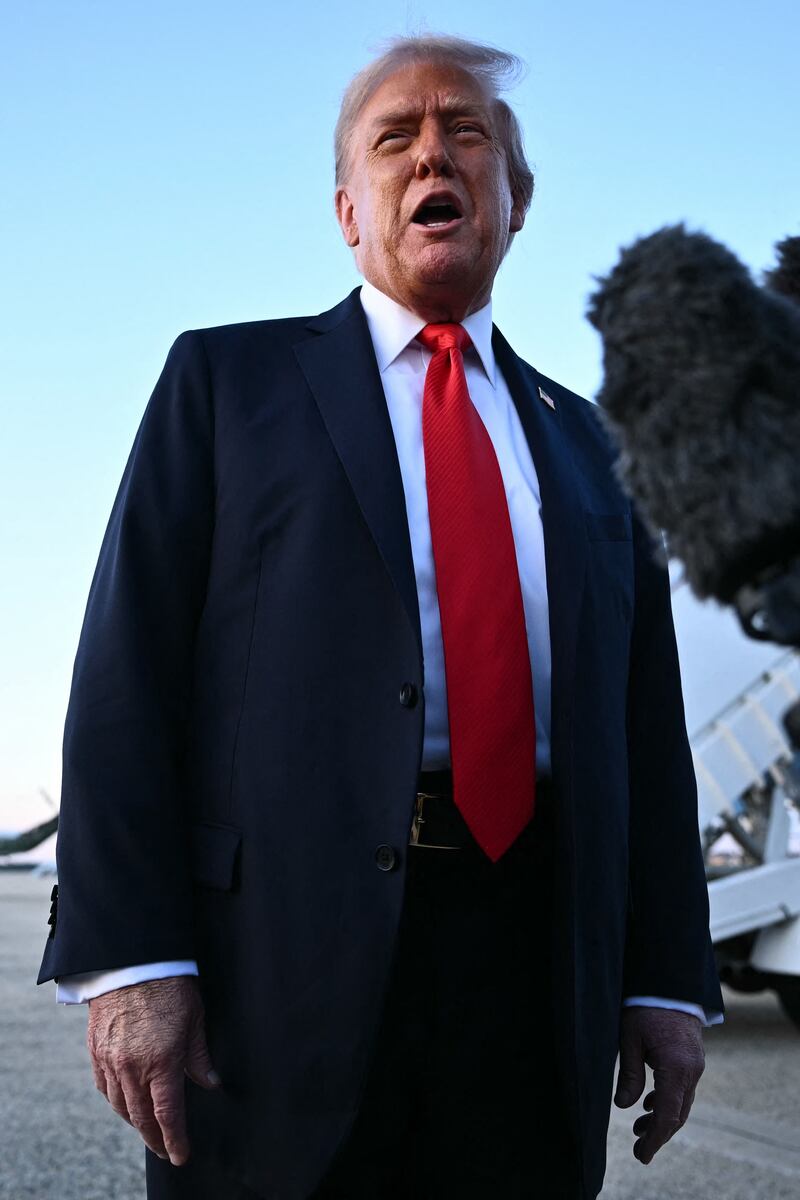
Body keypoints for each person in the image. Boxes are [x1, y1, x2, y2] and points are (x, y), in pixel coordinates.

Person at [38, 34, 723, 1200]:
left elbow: (643, 726)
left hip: (533, 952)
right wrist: (133, 956)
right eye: (393, 139)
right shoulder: (226, 386)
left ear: (514, 199)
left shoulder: (598, 451)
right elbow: (125, 675)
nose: (430, 156)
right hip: (279, 962)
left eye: (464, 133)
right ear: (348, 210)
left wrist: (662, 977)